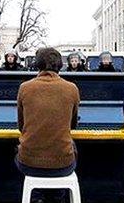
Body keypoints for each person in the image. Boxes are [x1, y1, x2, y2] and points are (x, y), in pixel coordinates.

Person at [15, 47, 79, 178]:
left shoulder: (24, 87)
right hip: (63, 164)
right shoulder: (72, 88)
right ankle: (59, 196)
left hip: (29, 163)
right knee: (73, 149)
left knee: (18, 152)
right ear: (60, 65)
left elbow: (21, 127)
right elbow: (73, 126)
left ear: (37, 64)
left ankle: (36, 196)